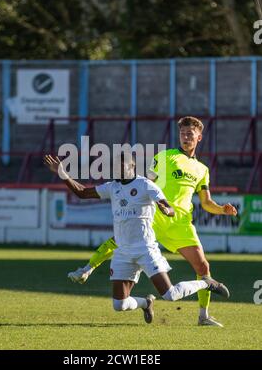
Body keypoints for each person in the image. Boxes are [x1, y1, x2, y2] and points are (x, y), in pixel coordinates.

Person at [67, 116, 237, 327]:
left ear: (199, 137)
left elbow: (207, 202)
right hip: (156, 216)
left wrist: (222, 209)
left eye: (190, 134)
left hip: (181, 223)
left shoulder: (202, 170)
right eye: (183, 133)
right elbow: (146, 182)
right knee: (119, 240)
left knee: (203, 265)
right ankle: (87, 268)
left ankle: (203, 316)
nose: (185, 137)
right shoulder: (165, 156)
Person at [44, 153, 230, 324]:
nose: (115, 170)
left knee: (170, 294)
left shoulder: (145, 185)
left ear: (132, 167)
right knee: (120, 305)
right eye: (113, 167)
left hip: (146, 249)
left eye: (120, 166)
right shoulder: (112, 187)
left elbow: (167, 205)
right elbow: (83, 192)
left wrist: (167, 210)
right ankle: (146, 303)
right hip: (123, 252)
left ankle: (206, 282)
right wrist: (63, 174)